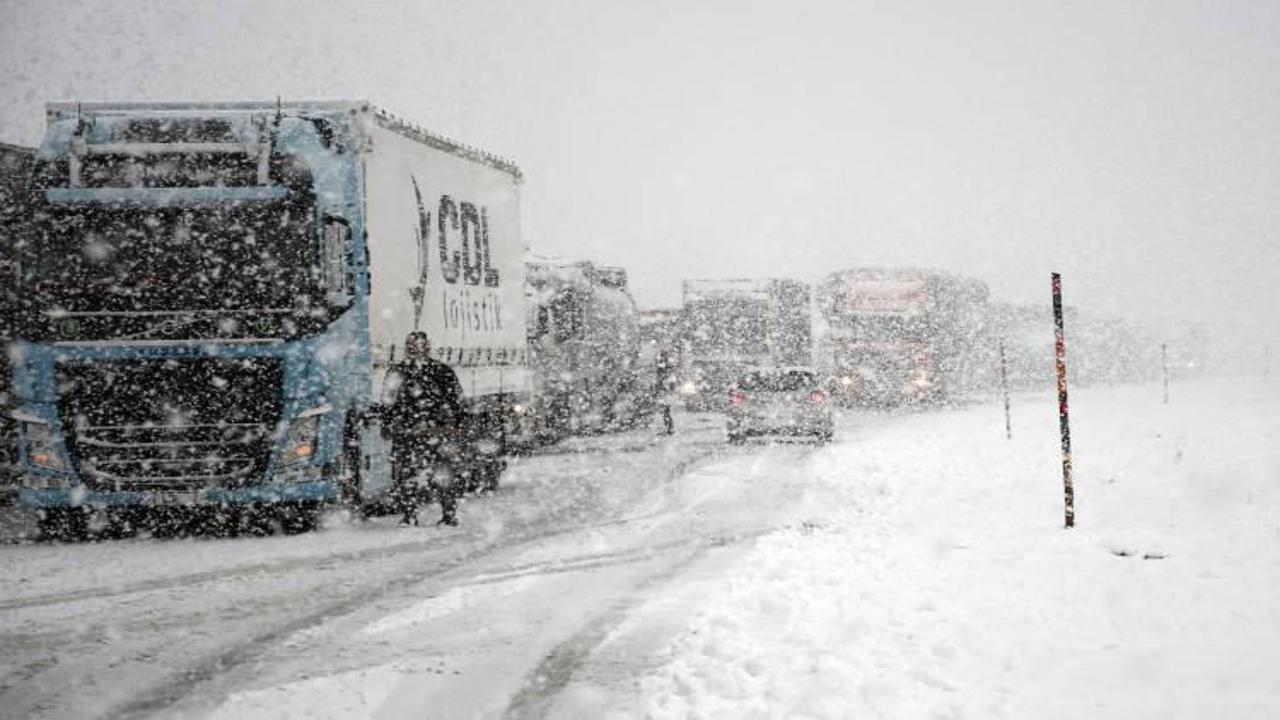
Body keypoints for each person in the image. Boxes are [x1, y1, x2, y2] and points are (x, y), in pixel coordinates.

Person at [382, 331, 466, 526]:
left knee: (411, 474)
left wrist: (387, 423)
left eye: (419, 346)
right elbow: (457, 401)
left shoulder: (401, 372)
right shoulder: (440, 370)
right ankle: (438, 514)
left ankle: (420, 515)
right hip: (426, 432)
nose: (416, 350)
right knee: (424, 474)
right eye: (413, 346)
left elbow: (387, 401)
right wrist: (458, 423)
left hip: (420, 431)